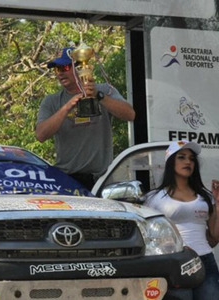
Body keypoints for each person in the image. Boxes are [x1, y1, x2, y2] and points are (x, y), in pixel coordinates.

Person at [35, 46, 135, 190]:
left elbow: (130, 115)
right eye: (57, 69)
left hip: (102, 178)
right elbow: (41, 135)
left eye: (65, 68)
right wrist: (67, 106)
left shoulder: (105, 90)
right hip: (67, 178)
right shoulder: (51, 101)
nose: (60, 73)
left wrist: (98, 96)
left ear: (81, 67)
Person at [143, 140, 219, 300]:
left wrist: (218, 205)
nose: (188, 162)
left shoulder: (206, 196)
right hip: (173, 262)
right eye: (182, 157)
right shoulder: (154, 198)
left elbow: (215, 236)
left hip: (205, 260)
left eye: (191, 159)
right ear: (170, 162)